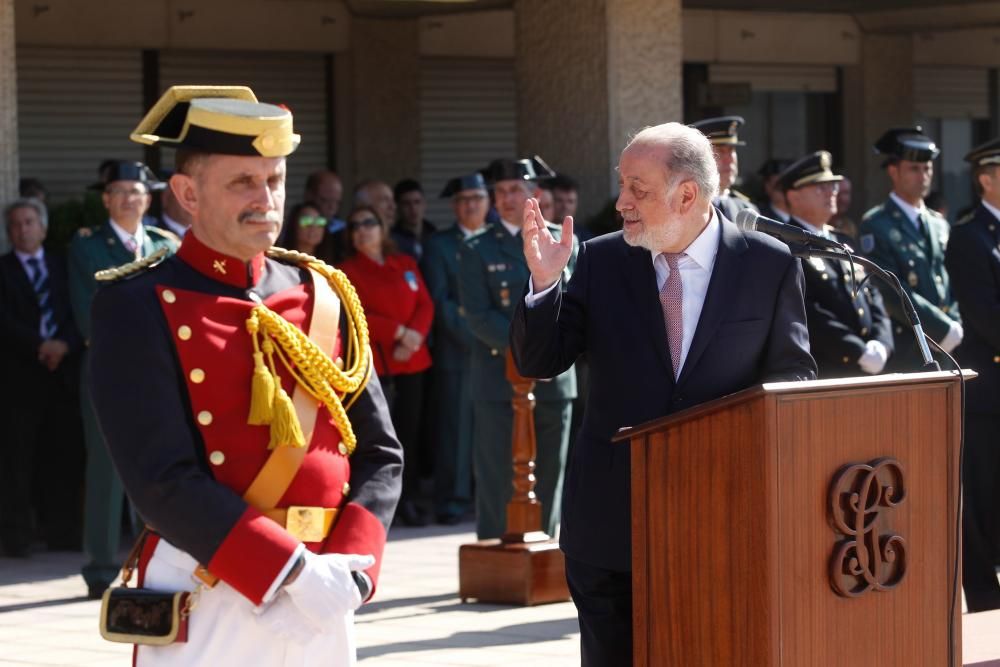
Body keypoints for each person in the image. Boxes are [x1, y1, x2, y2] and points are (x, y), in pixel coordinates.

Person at [88, 85, 403, 665]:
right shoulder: (136, 302)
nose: (266, 199)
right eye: (242, 182)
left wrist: (353, 571)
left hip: (325, 589)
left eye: (275, 180)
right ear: (187, 193)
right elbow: (160, 479)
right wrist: (287, 569)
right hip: (210, 582)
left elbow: (381, 453)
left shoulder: (323, 293)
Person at [510, 122, 816, 665]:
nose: (622, 201)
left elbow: (793, 377)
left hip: (723, 521)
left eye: (638, 189)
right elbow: (540, 362)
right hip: (610, 524)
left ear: (688, 194)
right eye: (623, 184)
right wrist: (544, 285)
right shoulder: (602, 260)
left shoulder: (768, 263)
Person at [68, 159, 179, 599]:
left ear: (149, 199)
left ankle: (149, 557)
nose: (130, 199)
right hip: (108, 369)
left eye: (137, 192)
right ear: (106, 199)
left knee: (155, 463)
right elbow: (87, 311)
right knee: (106, 470)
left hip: (158, 372)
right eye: (120, 192)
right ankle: (99, 568)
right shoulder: (88, 247)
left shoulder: (163, 245)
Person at [458, 156, 577, 541]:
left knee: (548, 473)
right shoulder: (477, 248)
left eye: (516, 190)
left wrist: (547, 349)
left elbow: (574, 306)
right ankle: (496, 551)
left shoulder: (562, 241)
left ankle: (544, 550)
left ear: (535, 194)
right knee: (496, 472)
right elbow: (477, 315)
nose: (507, 198)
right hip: (499, 379)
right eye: (501, 191)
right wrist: (528, 349)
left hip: (553, 377)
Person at [0, 198, 85, 556]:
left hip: (62, 375)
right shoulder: (2, 270)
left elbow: (76, 308)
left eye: (29, 222)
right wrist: (40, 345)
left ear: (43, 228)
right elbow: (4, 320)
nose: (23, 229)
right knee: (17, 461)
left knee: (63, 456)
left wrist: (64, 344)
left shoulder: (62, 265)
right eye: (16, 224)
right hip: (21, 376)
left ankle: (63, 533)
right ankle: (17, 538)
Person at [339, 205, 433, 527]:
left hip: (414, 361)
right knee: (385, 439)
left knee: (414, 433)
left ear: (382, 228)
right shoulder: (348, 270)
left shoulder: (404, 263)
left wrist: (416, 336)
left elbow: (425, 302)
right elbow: (356, 312)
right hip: (382, 368)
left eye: (369, 223)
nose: (362, 230)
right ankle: (390, 504)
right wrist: (399, 333)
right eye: (355, 225)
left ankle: (413, 500)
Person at [944, 137, 1000, 612]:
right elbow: (985, 316)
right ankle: (984, 600)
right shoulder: (970, 236)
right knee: (982, 496)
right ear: (986, 179)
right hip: (990, 390)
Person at [779, 151, 893, 378]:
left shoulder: (843, 240)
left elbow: (871, 292)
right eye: (820, 187)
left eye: (832, 185)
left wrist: (882, 342)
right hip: (827, 370)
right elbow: (806, 311)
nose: (831, 192)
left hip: (868, 368)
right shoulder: (785, 245)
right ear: (794, 196)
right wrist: (856, 350)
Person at [859, 127, 961, 371]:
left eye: (927, 169)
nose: (923, 176)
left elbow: (951, 279)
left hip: (948, 347)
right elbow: (888, 287)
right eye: (914, 169)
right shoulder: (876, 224)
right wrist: (940, 329)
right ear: (893, 171)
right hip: (909, 348)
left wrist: (954, 322)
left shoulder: (938, 223)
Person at [420, 172, 490, 525]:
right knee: (455, 431)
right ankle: (452, 499)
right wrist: (478, 334)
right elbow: (440, 302)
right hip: (458, 351)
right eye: (464, 200)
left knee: (494, 428)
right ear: (454, 206)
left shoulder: (498, 240)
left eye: (477, 198)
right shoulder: (439, 245)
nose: (471, 205)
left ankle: (488, 498)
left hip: (498, 353)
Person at [690, 115, 759, 222]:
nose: (729, 160)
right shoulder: (690, 207)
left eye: (731, 150)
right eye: (721, 151)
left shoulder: (747, 210)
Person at [304, 170, 348, 262]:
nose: (332, 207)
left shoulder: (343, 230)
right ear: (309, 196)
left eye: (337, 202)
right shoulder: (288, 226)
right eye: (325, 200)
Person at [392, 179, 436, 261]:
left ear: (424, 205)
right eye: (406, 203)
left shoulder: (435, 236)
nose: (413, 208)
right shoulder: (391, 240)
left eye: (417, 202)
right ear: (397, 207)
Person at [156, 169, 193, 238]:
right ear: (166, 197)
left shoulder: (207, 237)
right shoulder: (150, 237)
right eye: (185, 194)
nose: (191, 202)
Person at [757, 158, 792, 222]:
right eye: (779, 186)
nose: (785, 190)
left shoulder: (805, 217)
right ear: (767, 186)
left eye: (789, 185)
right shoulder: (759, 217)